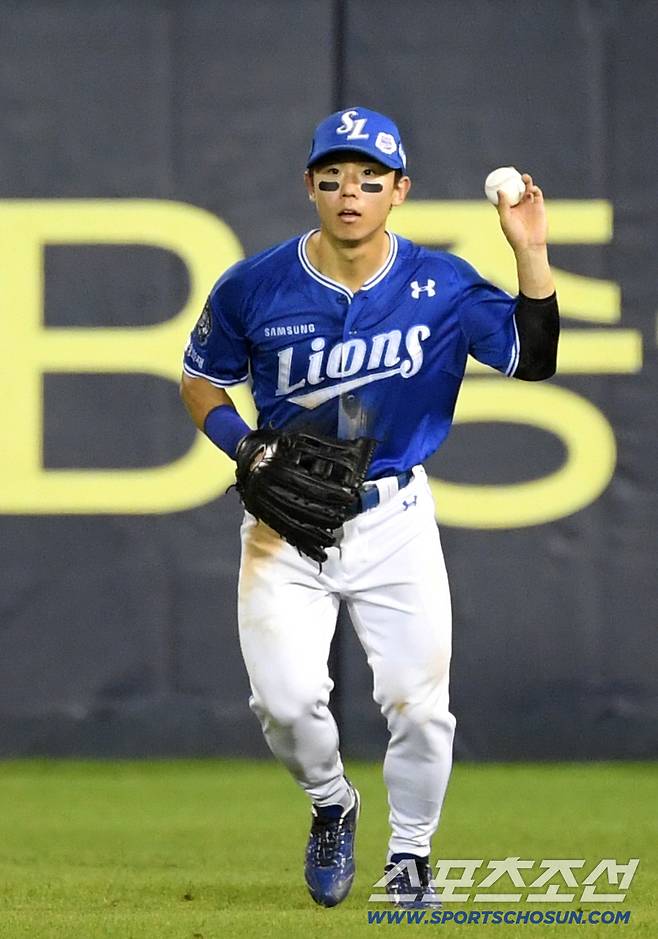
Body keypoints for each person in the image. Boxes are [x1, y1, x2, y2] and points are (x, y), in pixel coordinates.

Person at [180, 106, 559, 908]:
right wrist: (243, 447)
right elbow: (201, 378)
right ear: (310, 188)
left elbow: (534, 359)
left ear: (399, 191)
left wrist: (529, 252)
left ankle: (411, 855)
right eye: (334, 178)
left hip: (394, 518)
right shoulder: (255, 284)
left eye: (369, 179)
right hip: (283, 523)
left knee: (420, 710)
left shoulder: (443, 285)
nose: (350, 193)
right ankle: (331, 802)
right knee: (283, 706)